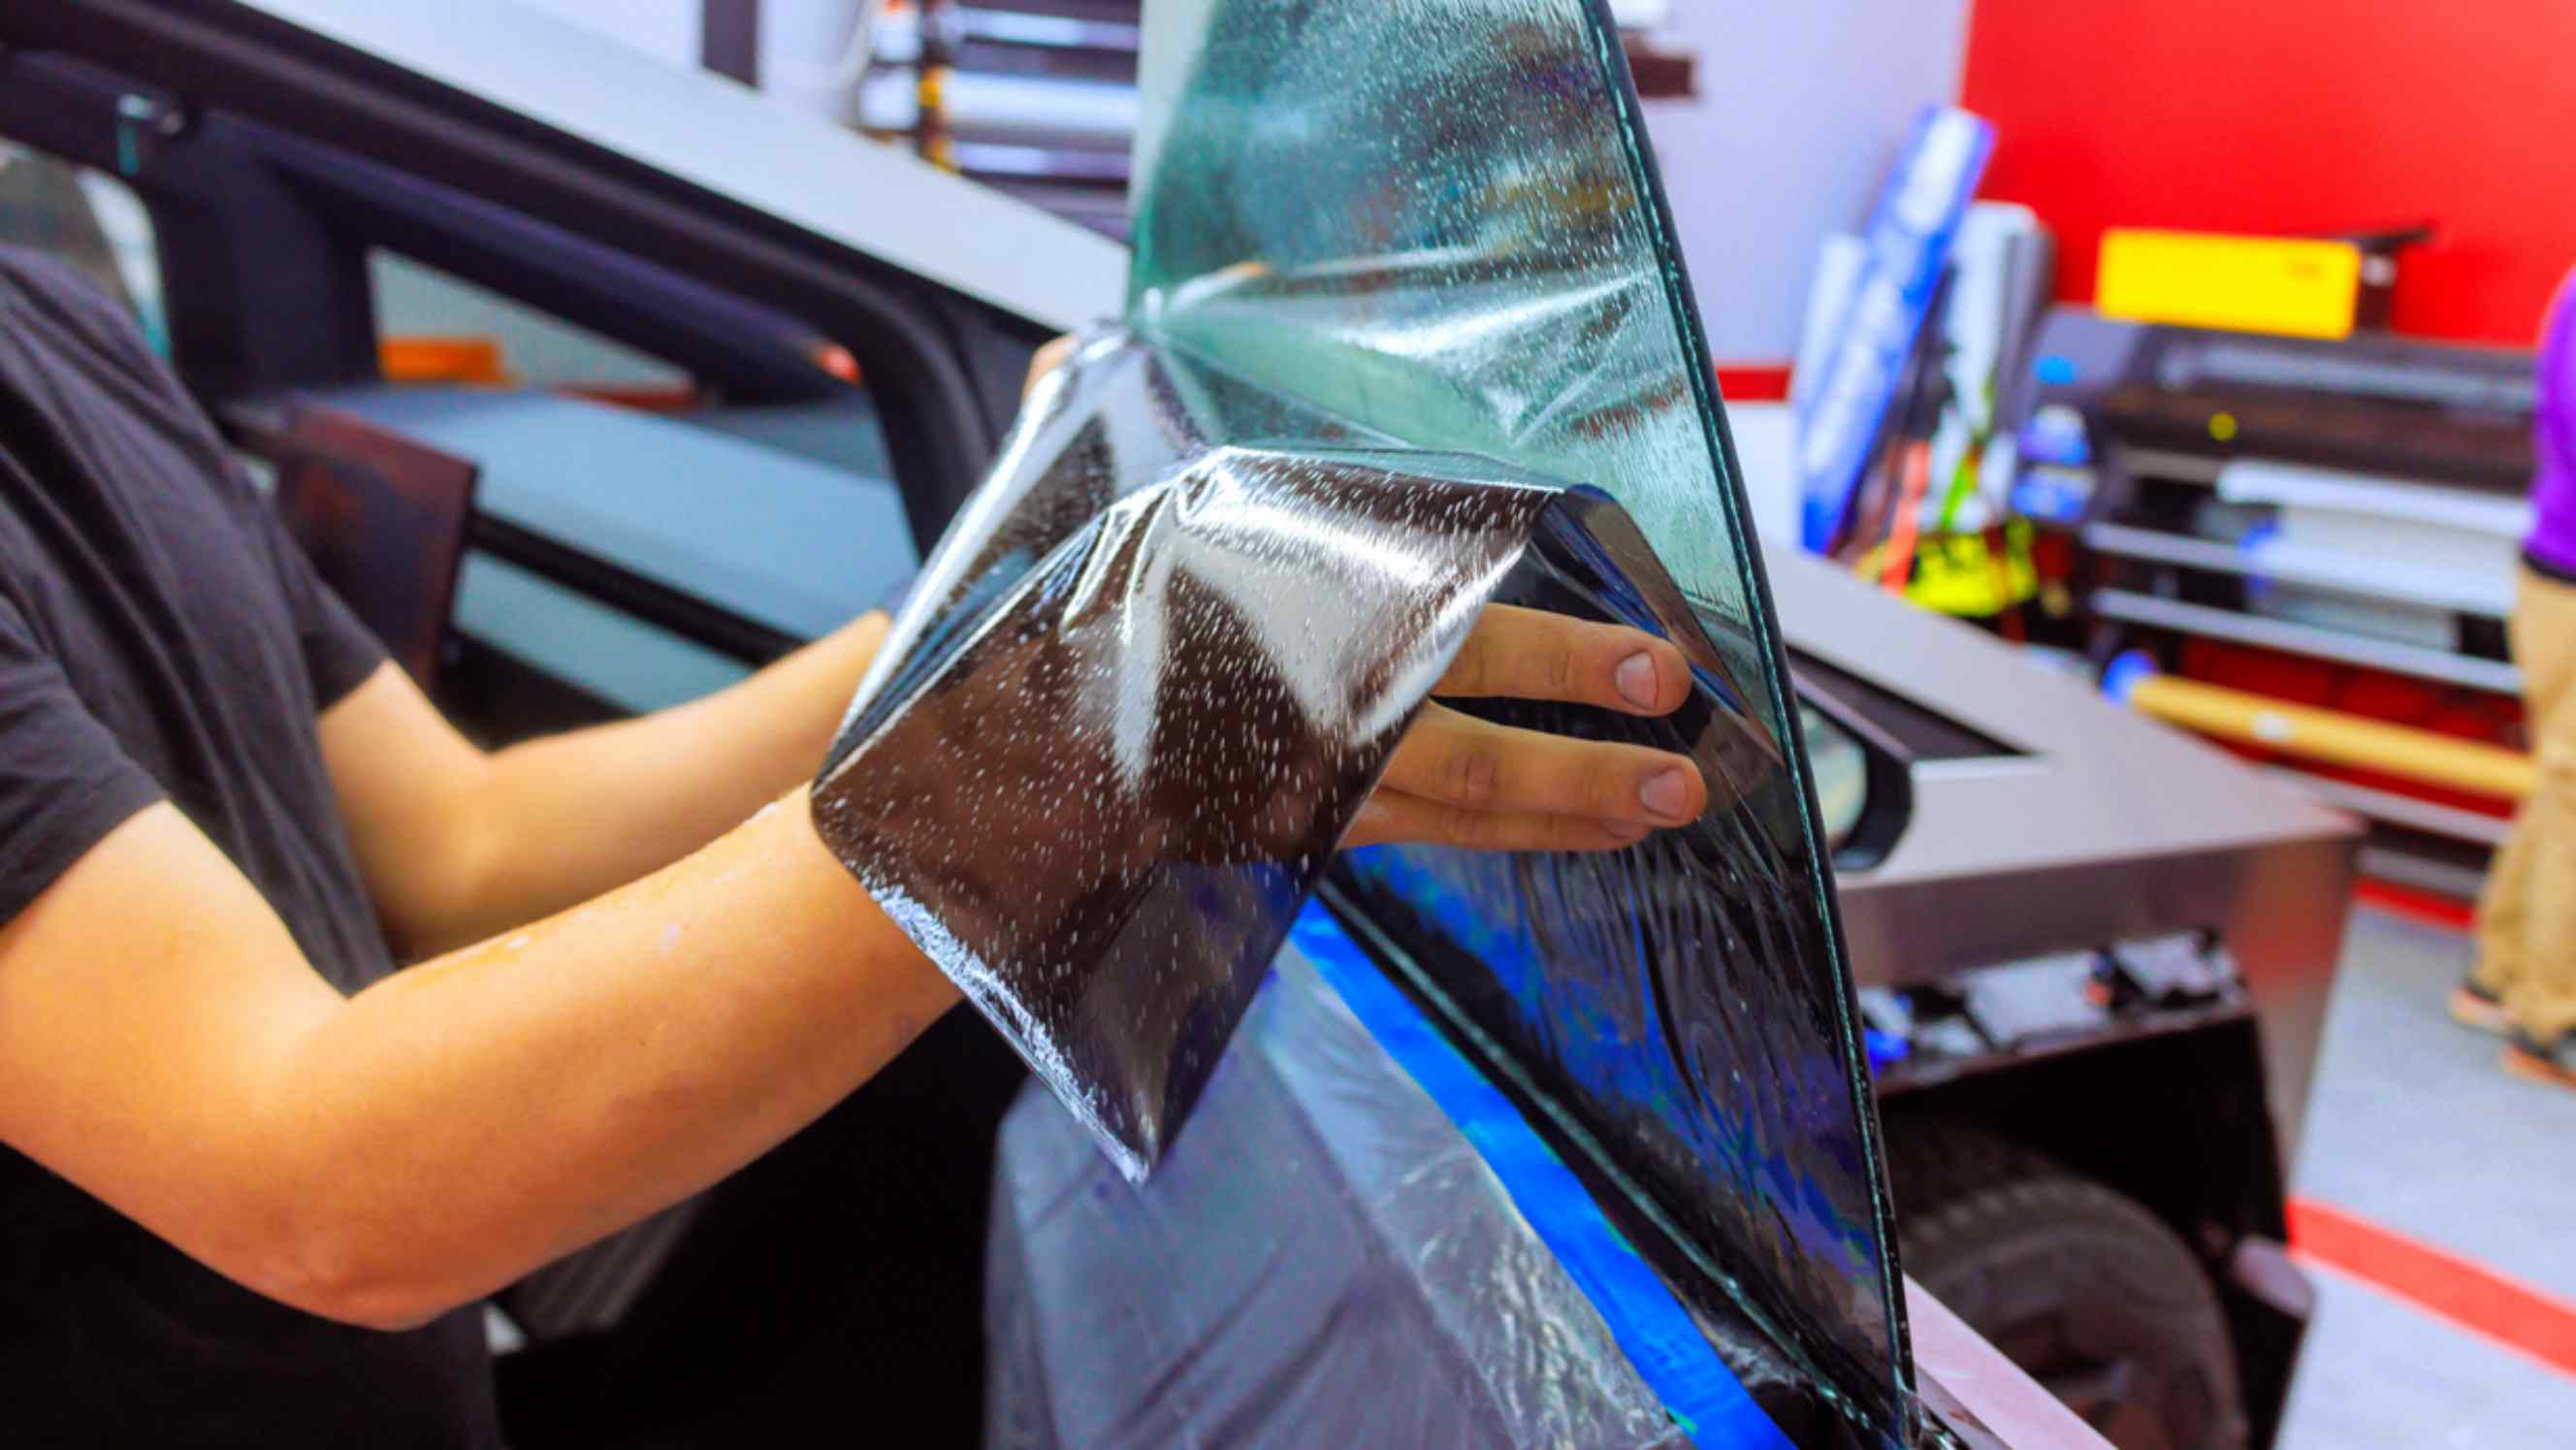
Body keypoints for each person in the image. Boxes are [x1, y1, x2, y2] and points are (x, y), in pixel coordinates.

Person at [0, 245, 1713, 1445]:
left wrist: (1019, 595)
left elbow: (468, 837)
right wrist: (1083, 731)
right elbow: (314, 1184)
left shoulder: (58, 332)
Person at [2460, 266, 2576, 1089]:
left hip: (2556, 572)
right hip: (2570, 578)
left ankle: (2499, 974)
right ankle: (2554, 1017)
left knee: (2563, 782)